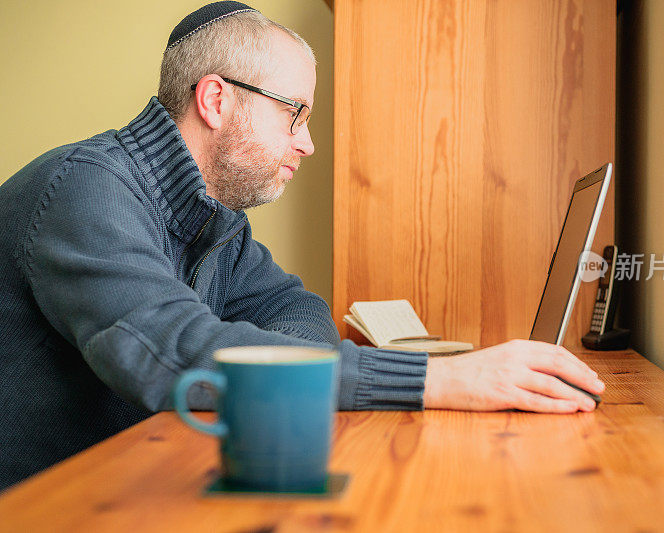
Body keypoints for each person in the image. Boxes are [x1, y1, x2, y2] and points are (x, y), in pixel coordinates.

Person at [0, 2, 604, 490]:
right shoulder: (83, 189)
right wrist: (439, 380)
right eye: (295, 114)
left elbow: (303, 317)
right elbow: (177, 356)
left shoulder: (218, 222)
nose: (307, 143)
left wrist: (251, 358)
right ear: (215, 100)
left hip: (139, 484)